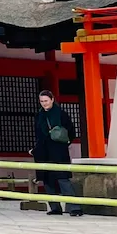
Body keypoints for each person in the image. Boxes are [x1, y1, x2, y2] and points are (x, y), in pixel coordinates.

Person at [33, 89, 82, 217]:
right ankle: (55, 207)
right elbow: (37, 134)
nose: (44, 104)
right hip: (43, 151)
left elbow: (70, 132)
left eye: (46, 101)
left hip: (59, 150)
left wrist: (65, 143)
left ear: (52, 100)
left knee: (62, 179)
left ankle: (74, 207)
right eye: (42, 101)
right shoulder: (39, 116)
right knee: (47, 180)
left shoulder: (61, 114)